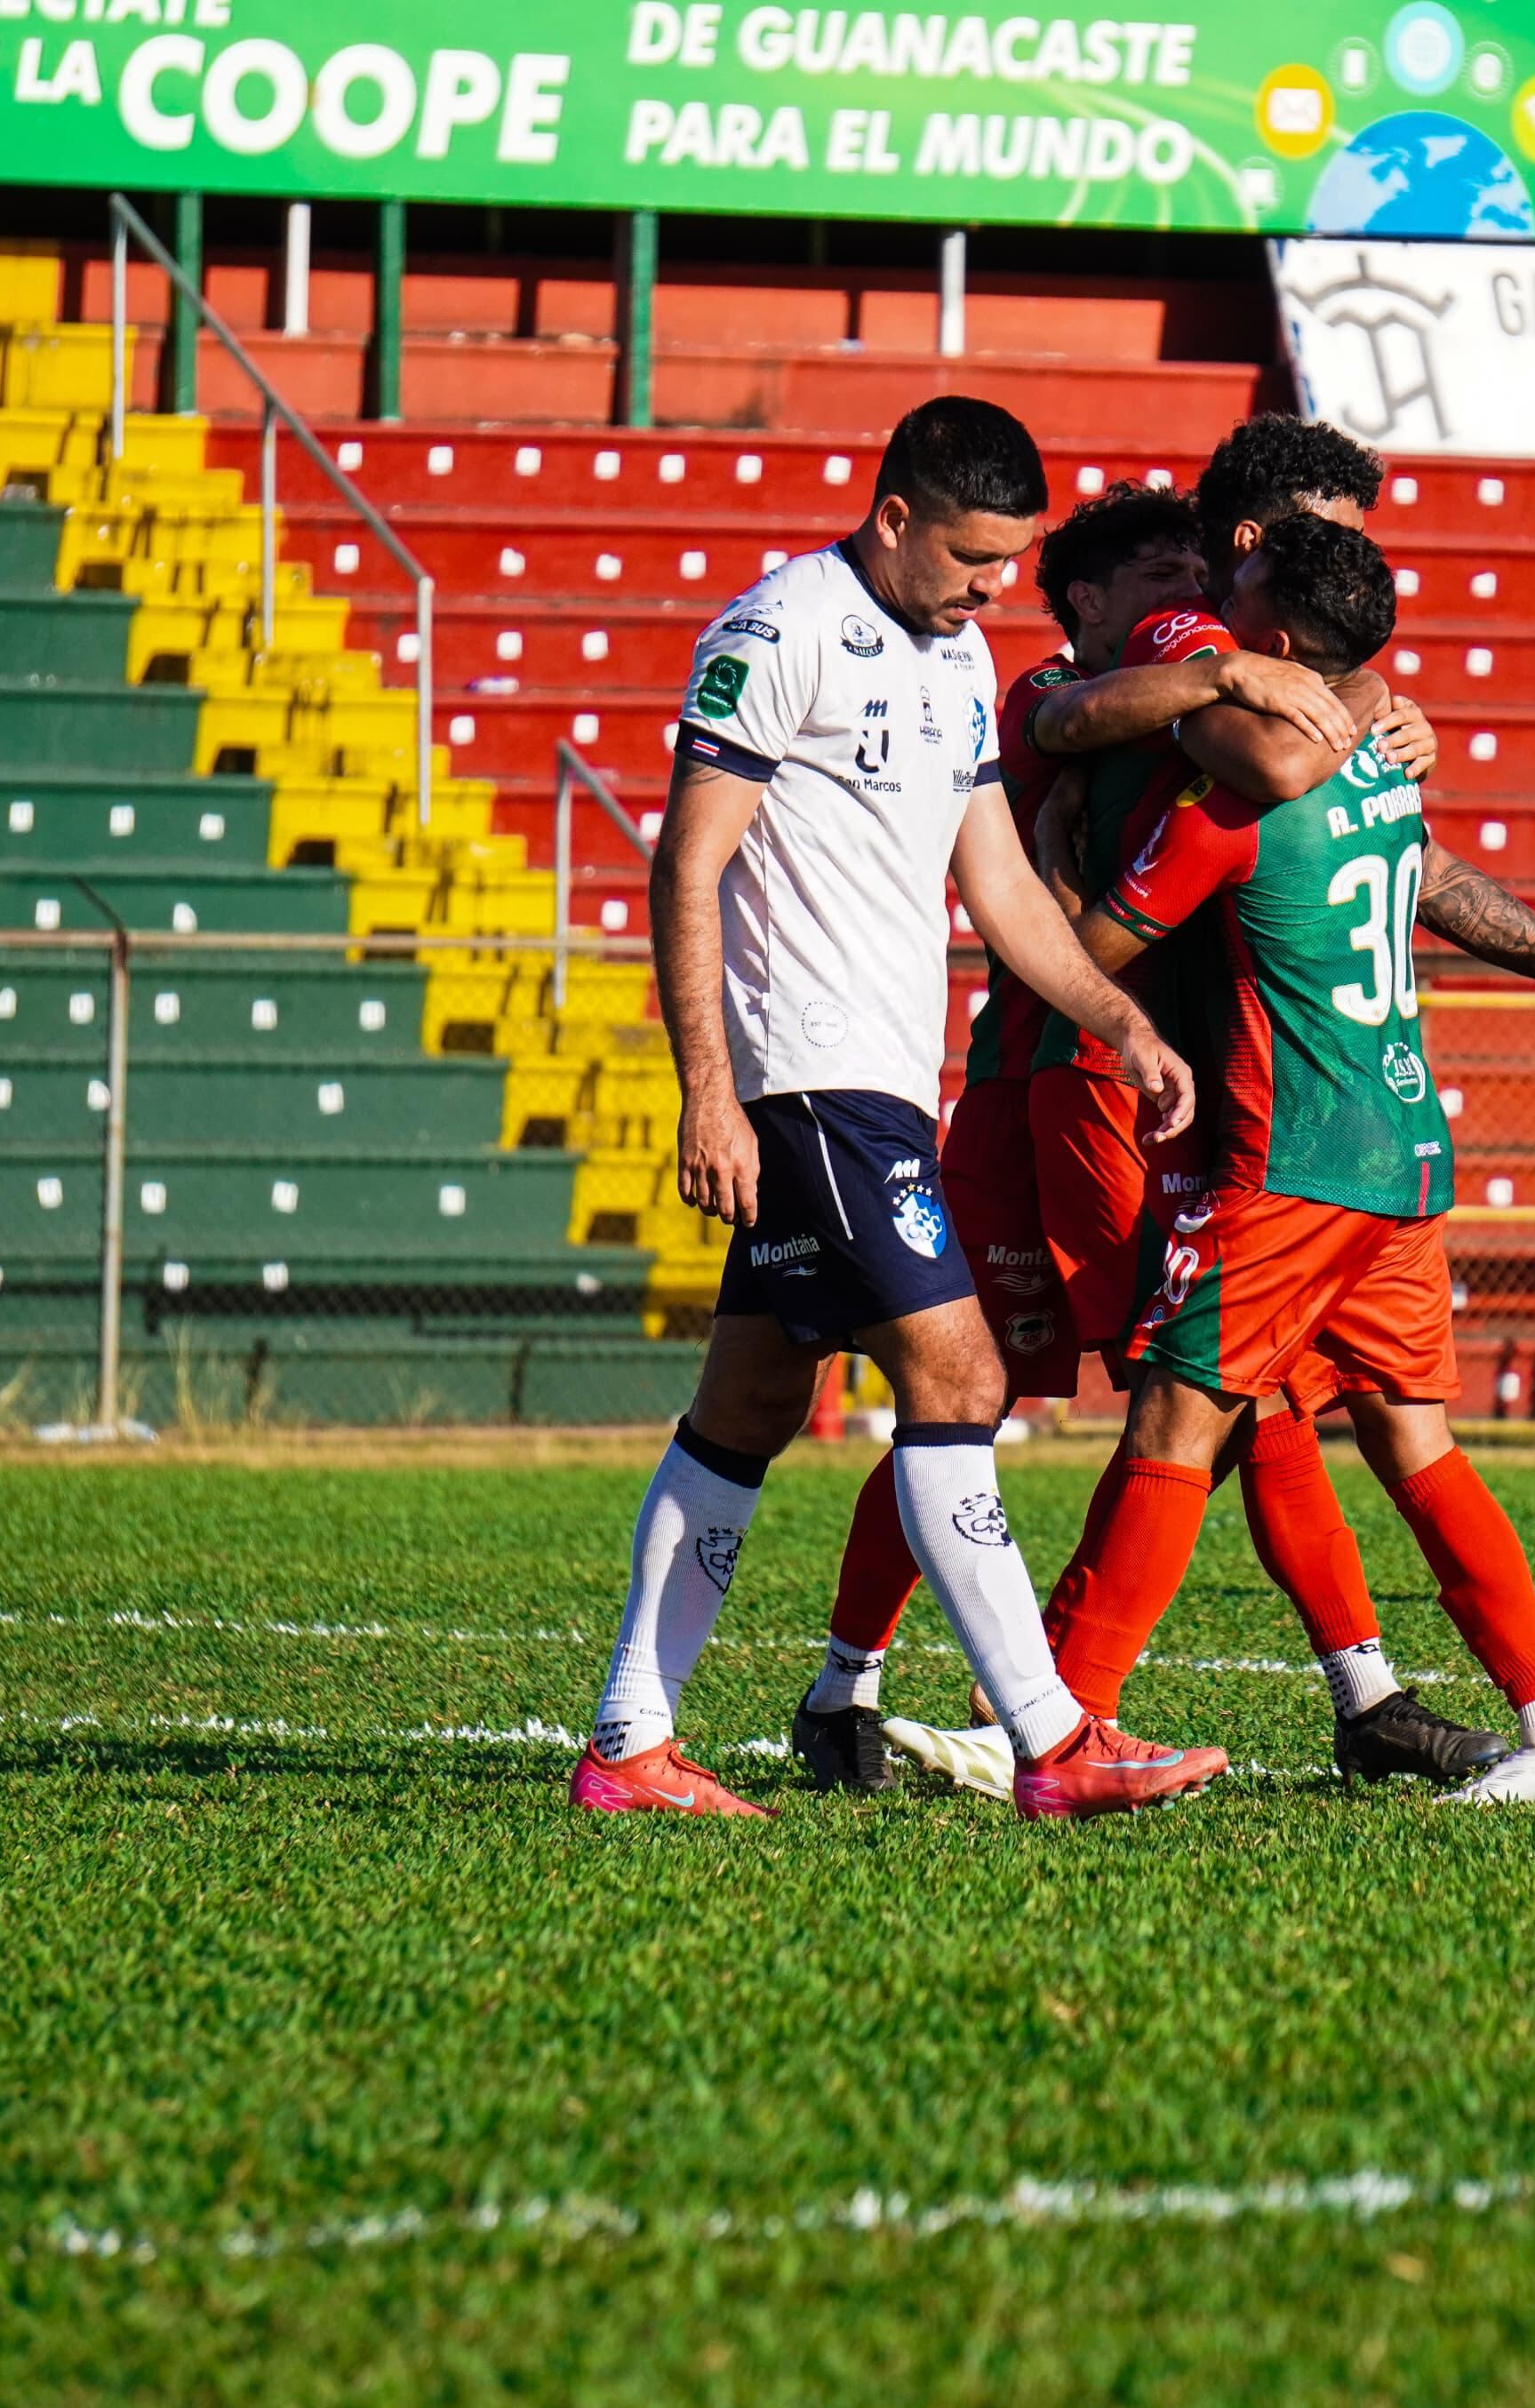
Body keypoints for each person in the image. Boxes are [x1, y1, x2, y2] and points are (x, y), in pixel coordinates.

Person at [569, 396, 1223, 1823]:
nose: (999, 585)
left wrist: (1121, 1017)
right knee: (962, 1380)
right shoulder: (778, 628)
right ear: (897, 519)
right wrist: (709, 1093)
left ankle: (629, 1745)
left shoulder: (960, 654)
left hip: (872, 1088)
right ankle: (1055, 1743)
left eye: (1015, 559)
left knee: (748, 1399)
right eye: (977, 556)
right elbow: (689, 860)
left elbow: (996, 884)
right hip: (806, 1081)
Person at [1035, 516, 1535, 1804]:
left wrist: (1060, 849)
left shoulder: (1235, 793)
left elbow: (1093, 958)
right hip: (1402, 1151)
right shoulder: (1388, 767)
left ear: (1276, 642)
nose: (1216, 610)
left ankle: (1064, 1718)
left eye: (1235, 594)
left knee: (1178, 1416)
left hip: (1293, 1158)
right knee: (1415, 1441)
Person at [786, 482, 1389, 1791]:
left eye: (1197, 575)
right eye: (1160, 578)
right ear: (1096, 599)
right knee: (1211, 1372)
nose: (1184, 601)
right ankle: (1327, 1693)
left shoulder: (1181, 677)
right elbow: (1069, 719)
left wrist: (1373, 711)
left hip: (1076, 1079)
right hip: (1078, 1082)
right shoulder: (1060, 683)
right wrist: (1253, 677)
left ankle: (847, 1691)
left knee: (1009, 1392)